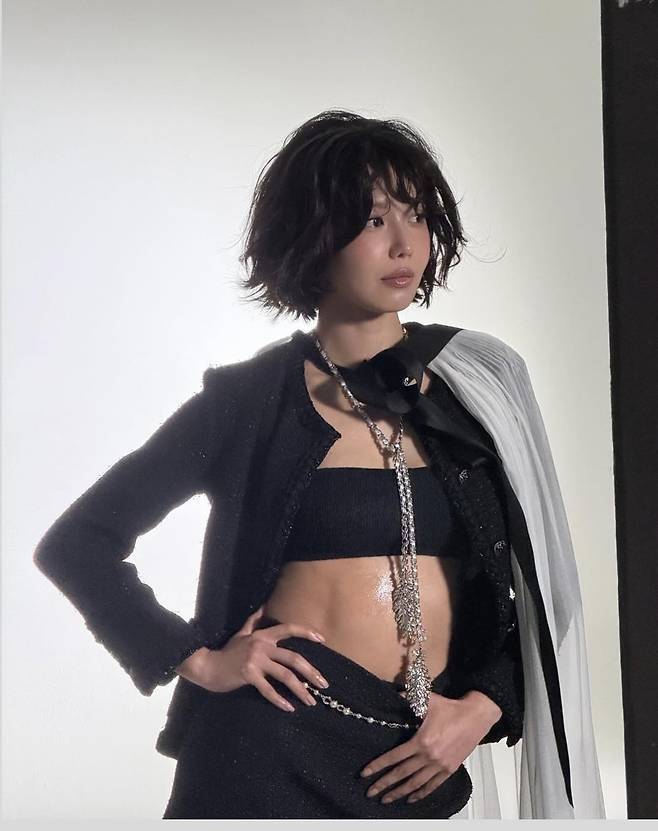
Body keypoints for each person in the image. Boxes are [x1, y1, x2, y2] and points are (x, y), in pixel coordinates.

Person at [33, 110, 605, 819]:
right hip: (266, 749)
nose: (404, 243)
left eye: (417, 215)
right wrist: (197, 658)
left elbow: (547, 593)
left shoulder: (479, 386)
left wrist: (484, 706)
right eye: (372, 221)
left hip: (418, 759)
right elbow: (79, 542)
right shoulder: (247, 402)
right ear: (311, 236)